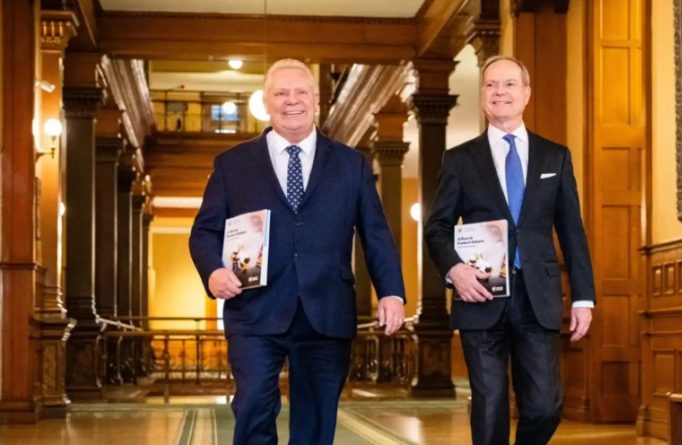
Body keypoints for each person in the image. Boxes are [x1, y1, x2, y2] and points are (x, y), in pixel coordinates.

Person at [189, 58, 405, 445]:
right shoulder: (232, 164)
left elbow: (376, 234)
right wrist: (213, 272)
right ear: (266, 102)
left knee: (317, 422)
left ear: (317, 99)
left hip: (326, 311)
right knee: (253, 403)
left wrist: (391, 291)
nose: (292, 101)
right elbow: (204, 232)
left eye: (300, 92)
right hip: (254, 308)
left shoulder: (352, 164)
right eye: (281, 93)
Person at [424, 55, 595, 445]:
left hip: (539, 297)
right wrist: (455, 270)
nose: (500, 92)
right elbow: (437, 227)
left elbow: (572, 230)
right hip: (480, 295)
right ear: (483, 95)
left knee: (545, 407)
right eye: (491, 85)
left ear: (526, 93)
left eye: (509, 84)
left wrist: (584, 297)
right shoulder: (459, 159)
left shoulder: (556, 157)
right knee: (489, 408)